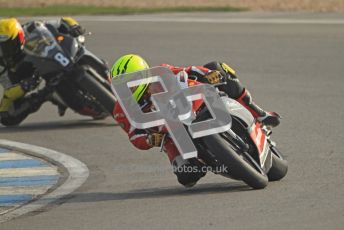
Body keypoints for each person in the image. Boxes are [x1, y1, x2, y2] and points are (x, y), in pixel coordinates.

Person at [111, 54, 281, 187]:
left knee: (218, 67)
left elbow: (189, 70)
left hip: (195, 102)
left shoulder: (162, 72)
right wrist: (149, 140)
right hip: (171, 136)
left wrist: (208, 75)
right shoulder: (121, 110)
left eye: (130, 84)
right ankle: (210, 159)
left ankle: (258, 113)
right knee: (187, 177)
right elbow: (133, 135)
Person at [0, 17, 85, 126]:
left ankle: (88, 61)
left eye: (6, 45)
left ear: (19, 36)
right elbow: (8, 92)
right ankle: (46, 95)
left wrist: (74, 26)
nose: (3, 51)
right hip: (29, 75)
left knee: (73, 38)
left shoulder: (31, 27)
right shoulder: (2, 65)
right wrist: (22, 86)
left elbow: (62, 21)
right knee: (7, 117)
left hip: (54, 54)